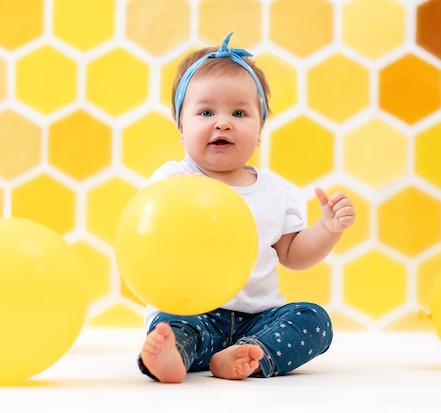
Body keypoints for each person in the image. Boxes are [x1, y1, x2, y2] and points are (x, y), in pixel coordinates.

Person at [138, 33, 356, 383]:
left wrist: (328, 229)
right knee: (174, 324)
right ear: (181, 127)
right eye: (206, 112)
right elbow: (151, 235)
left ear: (259, 132)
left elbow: (293, 255)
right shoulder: (174, 179)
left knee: (313, 318)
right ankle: (172, 352)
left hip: (259, 317)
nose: (222, 122)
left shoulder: (274, 189)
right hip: (195, 311)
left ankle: (251, 353)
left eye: (239, 112)